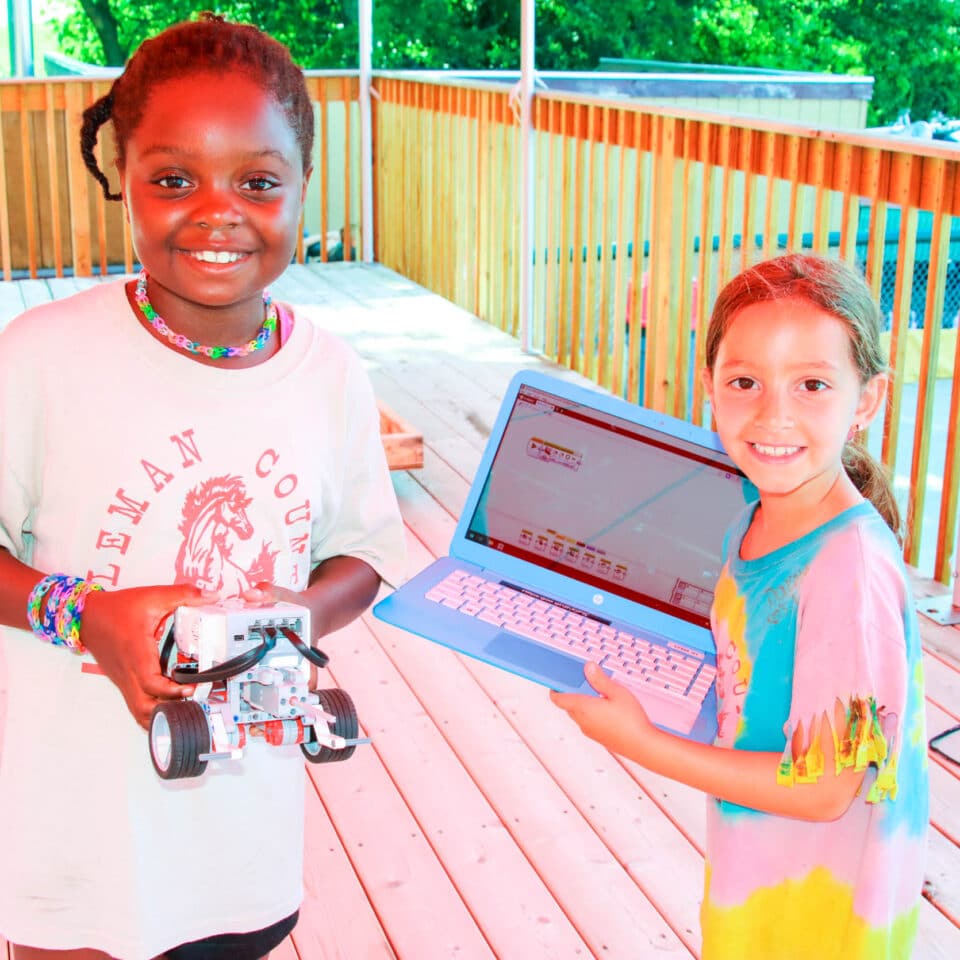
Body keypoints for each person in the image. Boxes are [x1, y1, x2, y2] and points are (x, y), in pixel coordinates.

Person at [0, 13, 404, 960]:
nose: (217, 212)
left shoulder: (330, 372)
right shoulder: (41, 360)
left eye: (258, 183)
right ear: (124, 182)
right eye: (174, 179)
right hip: (81, 842)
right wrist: (81, 611)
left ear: (305, 190)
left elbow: (367, 550)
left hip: (242, 841)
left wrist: (290, 617)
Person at [552, 254, 929, 959]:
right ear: (710, 387)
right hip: (762, 861)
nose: (773, 415)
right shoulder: (753, 519)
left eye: (812, 384)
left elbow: (826, 790)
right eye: (745, 382)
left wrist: (643, 743)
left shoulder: (848, 570)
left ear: (867, 400)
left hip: (823, 910)